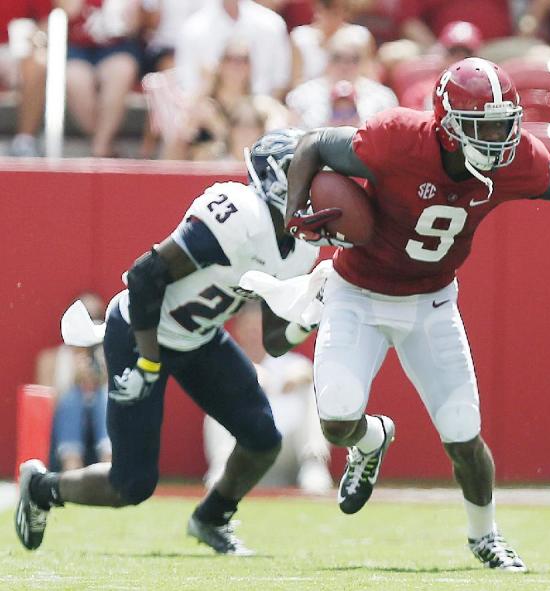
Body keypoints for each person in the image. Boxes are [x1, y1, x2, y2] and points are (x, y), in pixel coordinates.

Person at [247, 57, 550, 571]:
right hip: (358, 293)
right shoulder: (398, 138)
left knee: (463, 434)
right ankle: (373, 439)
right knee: (338, 421)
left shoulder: (513, 160)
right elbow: (315, 144)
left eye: (506, 123)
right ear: (448, 125)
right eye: (486, 125)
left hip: (432, 302)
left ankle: (486, 536)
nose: (500, 137)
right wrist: (294, 212)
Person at [14, 129, 327, 556]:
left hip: (198, 338)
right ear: (274, 176)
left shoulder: (301, 247)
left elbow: (274, 341)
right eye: (304, 172)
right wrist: (146, 361)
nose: (313, 184)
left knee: (262, 439)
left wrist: (309, 317)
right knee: (132, 484)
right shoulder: (239, 213)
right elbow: (145, 276)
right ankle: (42, 488)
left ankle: (211, 518)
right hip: (140, 330)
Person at [204, 303, 332, 493]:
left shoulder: (291, 363)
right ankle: (223, 468)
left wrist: (300, 377)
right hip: (244, 454)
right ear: (238, 330)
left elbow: (307, 371)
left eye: (259, 329)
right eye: (249, 328)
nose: (254, 335)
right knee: (217, 396)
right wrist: (249, 377)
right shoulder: (230, 365)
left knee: (311, 391)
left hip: (287, 453)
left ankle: (313, 465)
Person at [36, 292, 111, 472]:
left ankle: (108, 463)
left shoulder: (111, 357)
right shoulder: (51, 360)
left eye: (96, 317)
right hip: (62, 433)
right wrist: (73, 379)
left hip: (102, 425)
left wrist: (101, 377)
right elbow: (42, 409)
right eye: (85, 316)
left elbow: (124, 396)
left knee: (104, 398)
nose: (90, 323)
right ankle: (72, 465)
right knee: (72, 399)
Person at [61, 0, 141, 158]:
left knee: (122, 70)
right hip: (76, 47)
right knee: (74, 78)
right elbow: (68, 10)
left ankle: (100, 148)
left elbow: (135, 27)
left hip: (115, 46)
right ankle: (105, 146)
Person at [1, 1, 50, 157]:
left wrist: (36, 37)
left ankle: (25, 142)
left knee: (38, 64)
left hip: (15, 49)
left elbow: (46, 19)